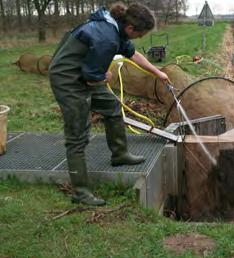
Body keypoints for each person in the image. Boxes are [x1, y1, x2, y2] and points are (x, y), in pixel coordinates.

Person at [49, 2, 170, 206]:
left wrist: (158, 73)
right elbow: (91, 79)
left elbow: (132, 53)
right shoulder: (107, 37)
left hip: (83, 73)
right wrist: (104, 76)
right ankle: (80, 193)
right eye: (139, 35)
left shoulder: (116, 28)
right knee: (77, 135)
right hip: (68, 79)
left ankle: (119, 154)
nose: (139, 39)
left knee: (112, 108)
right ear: (130, 28)